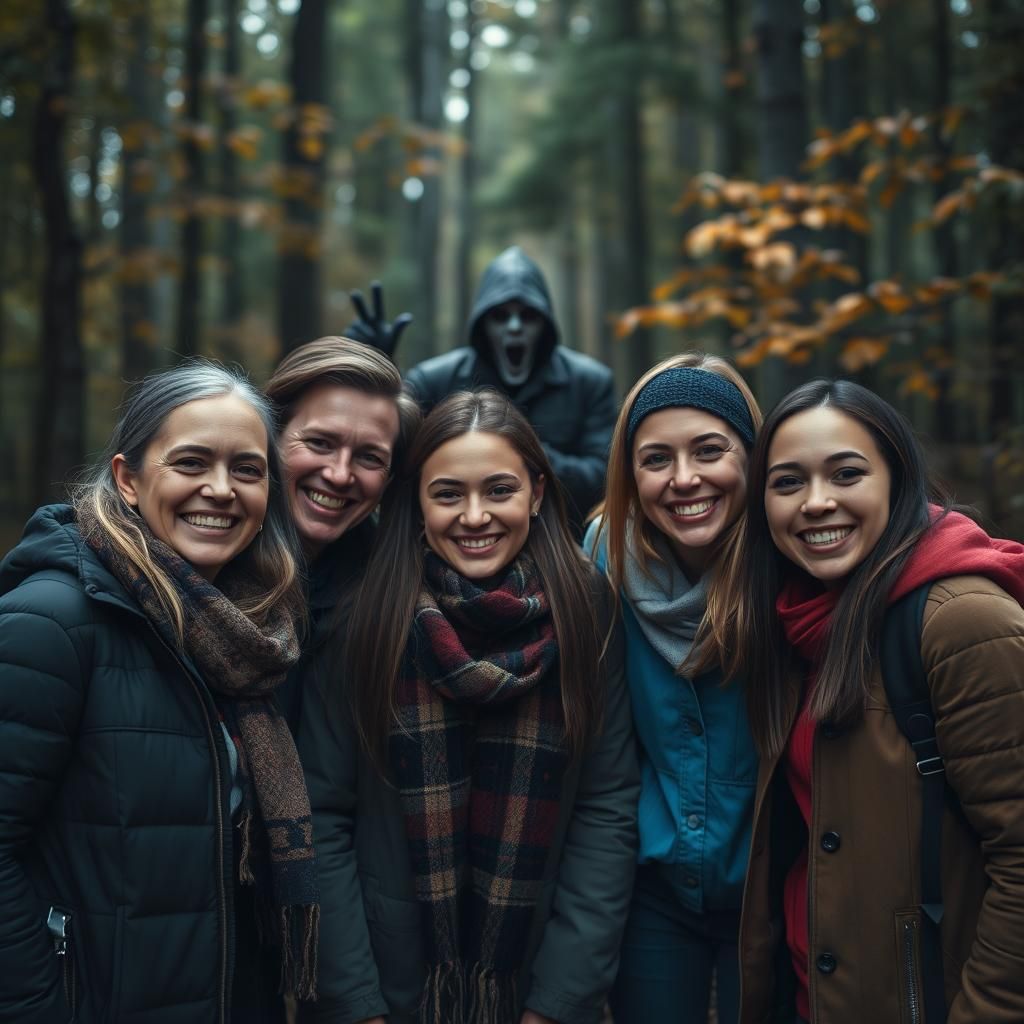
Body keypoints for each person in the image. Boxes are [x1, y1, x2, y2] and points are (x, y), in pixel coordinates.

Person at [298, 389, 639, 1024]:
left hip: (534, 976)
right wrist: (357, 1004)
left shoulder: (586, 607)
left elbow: (606, 806)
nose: (475, 516)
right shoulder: (365, 615)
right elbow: (322, 815)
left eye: (500, 491)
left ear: (536, 494)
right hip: (390, 985)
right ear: (418, 503)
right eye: (448, 493)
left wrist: (559, 1002)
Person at [0, 361, 315, 1024]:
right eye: (191, 462)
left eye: (248, 470)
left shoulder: (250, 639)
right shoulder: (53, 622)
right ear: (129, 479)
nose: (221, 490)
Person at [731, 379, 1024, 1024]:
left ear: (897, 478)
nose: (816, 502)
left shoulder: (962, 622)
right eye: (786, 483)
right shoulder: (797, 622)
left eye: (846, 473)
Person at [583, 353, 762, 1024]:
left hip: (778, 882)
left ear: (751, 455)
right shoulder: (605, 554)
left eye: (709, 451)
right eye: (656, 459)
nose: (684, 479)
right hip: (654, 890)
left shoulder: (792, 559)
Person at [349, 248, 617, 534]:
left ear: (546, 322)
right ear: (482, 323)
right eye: (500, 316)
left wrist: (520, 450)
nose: (514, 327)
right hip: (454, 547)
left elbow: (604, 480)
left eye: (528, 316)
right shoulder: (434, 380)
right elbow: (392, 462)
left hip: (561, 547)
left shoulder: (590, 382)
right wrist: (374, 379)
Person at [265, 335, 421, 732]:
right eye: (320, 443)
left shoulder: (396, 598)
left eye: (370, 457)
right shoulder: (199, 566)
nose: (339, 474)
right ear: (270, 437)